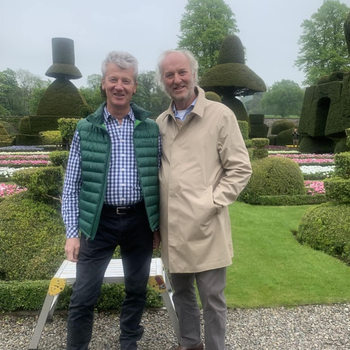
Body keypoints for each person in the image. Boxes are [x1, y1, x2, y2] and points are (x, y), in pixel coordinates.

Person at [61, 51, 161, 350]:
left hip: (139, 222)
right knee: (83, 296)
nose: (120, 86)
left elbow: (160, 179)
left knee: (136, 289)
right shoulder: (85, 128)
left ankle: (129, 341)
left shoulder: (150, 128)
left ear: (135, 86)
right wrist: (71, 233)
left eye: (126, 81)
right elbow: (71, 186)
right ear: (103, 83)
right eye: (114, 79)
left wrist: (156, 224)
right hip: (98, 223)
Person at [156, 50, 252, 350]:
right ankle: (189, 344)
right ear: (163, 81)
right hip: (173, 228)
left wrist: (212, 202)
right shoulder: (160, 122)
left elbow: (240, 168)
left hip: (207, 226)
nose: (176, 79)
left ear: (193, 74)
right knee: (182, 295)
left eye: (182, 72)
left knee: (212, 299)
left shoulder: (221, 116)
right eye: (169, 75)